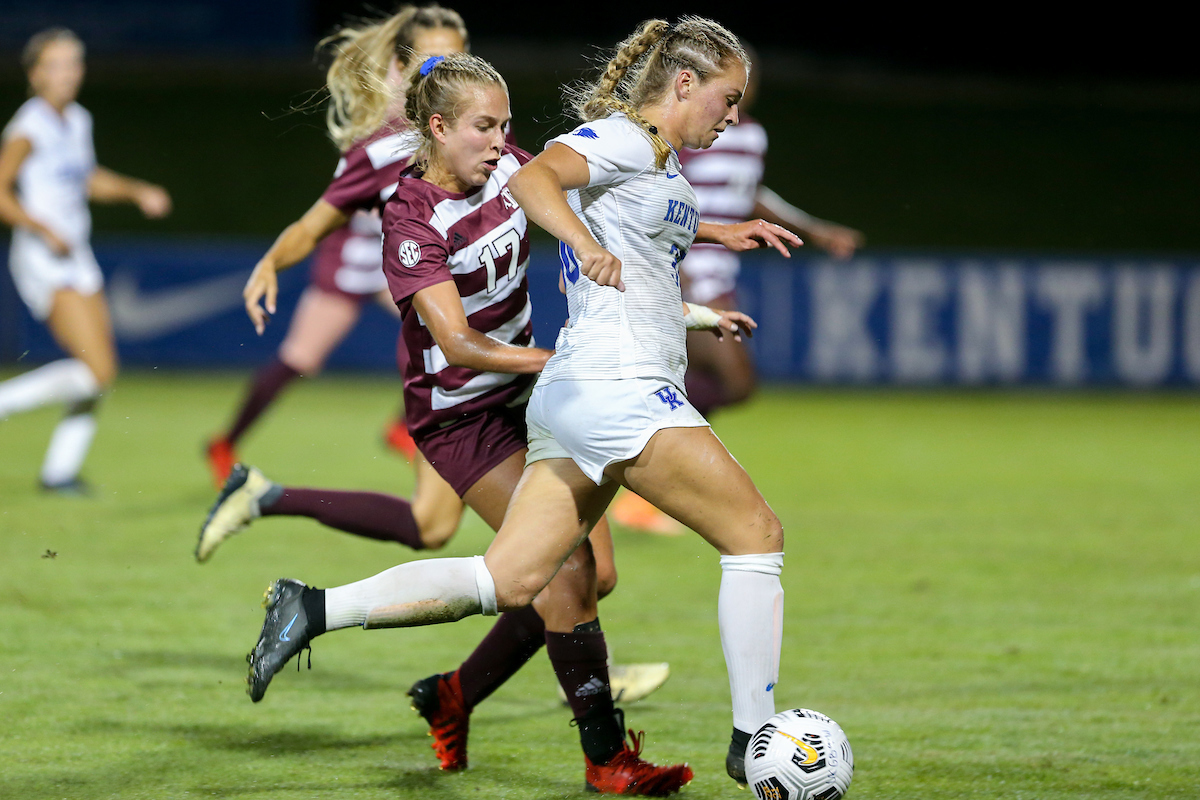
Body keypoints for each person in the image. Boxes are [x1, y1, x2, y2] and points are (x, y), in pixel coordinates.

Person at [242, 17, 799, 791]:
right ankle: (750, 738)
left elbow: (619, 222)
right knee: (754, 533)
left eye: (506, 125)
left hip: (557, 393)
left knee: (526, 580)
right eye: (727, 98)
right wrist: (580, 253)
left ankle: (320, 610)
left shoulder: (618, 160)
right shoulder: (418, 213)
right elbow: (480, 310)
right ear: (437, 126)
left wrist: (714, 239)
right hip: (499, 402)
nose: (504, 142)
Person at [202, 4, 470, 525]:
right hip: (357, 251)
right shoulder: (391, 132)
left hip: (405, 258)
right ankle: (223, 444)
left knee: (445, 330)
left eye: (456, 59)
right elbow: (332, 206)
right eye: (433, 61)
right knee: (302, 357)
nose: (446, 72)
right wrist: (272, 262)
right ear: (400, 67)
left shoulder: (461, 123)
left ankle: (405, 427)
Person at [610, 42, 865, 534]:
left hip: (718, 270)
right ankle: (637, 467)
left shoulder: (749, 135)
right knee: (734, 381)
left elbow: (750, 195)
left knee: (697, 383)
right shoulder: (683, 134)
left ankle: (634, 461)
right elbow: (658, 188)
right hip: (690, 268)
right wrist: (669, 264)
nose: (743, 87)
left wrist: (815, 230)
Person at [0, 28, 171, 493]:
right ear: (35, 75)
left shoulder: (76, 120)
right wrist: (42, 227)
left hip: (77, 253)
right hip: (43, 257)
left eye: (74, 64)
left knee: (101, 374)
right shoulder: (27, 127)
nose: (67, 74)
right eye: (55, 65)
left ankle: (59, 472)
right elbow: (1, 192)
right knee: (97, 370)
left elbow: (86, 179)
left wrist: (136, 190)